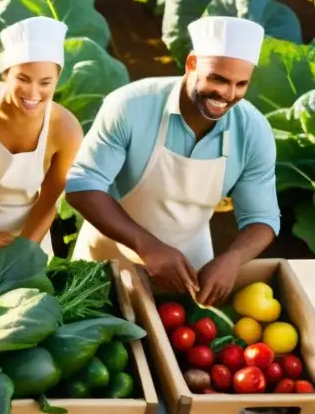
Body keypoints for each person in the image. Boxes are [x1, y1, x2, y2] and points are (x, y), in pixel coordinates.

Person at [65, 16, 280, 306]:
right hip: (108, 259)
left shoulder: (253, 131)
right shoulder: (131, 105)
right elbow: (83, 184)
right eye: (218, 79)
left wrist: (233, 259)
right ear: (191, 64)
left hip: (189, 271)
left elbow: (262, 218)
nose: (228, 95)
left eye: (241, 84)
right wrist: (146, 246)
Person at [0, 16, 84, 261]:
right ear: (5, 73)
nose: (33, 92)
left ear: (57, 80)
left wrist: (24, 250)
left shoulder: (66, 130)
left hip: (27, 234)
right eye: (23, 79)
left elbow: (48, 201)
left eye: (45, 83)